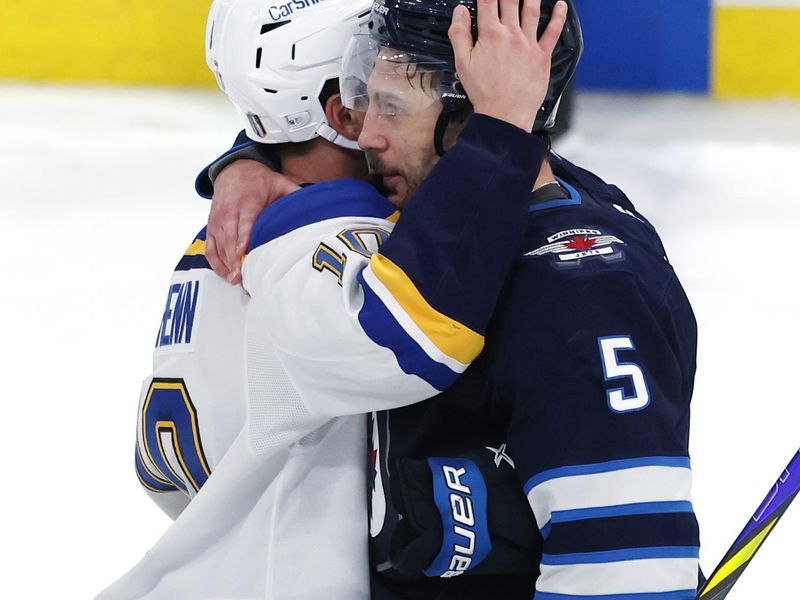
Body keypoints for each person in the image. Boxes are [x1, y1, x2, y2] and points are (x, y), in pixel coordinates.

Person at [203, 1, 703, 598]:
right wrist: (254, 153)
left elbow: (625, 576)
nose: (366, 133)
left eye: (391, 107)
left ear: (479, 118)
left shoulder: (585, 293)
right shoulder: (419, 228)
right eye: (366, 99)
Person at [96, 0, 570, 598]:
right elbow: (414, 336)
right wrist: (502, 123)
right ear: (345, 112)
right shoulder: (333, 242)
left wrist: (242, 157)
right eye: (379, 70)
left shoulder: (265, 216)